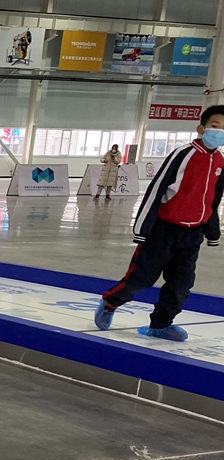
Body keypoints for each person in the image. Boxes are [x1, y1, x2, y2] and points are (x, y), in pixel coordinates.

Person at [95, 106, 224, 342]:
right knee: (142, 278)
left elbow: (214, 198)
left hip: (192, 234)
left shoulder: (220, 160)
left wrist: (212, 231)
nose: (220, 132)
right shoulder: (183, 154)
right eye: (215, 126)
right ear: (201, 128)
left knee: (181, 285)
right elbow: (156, 190)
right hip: (164, 230)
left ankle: (160, 325)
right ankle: (110, 302)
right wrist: (142, 229)